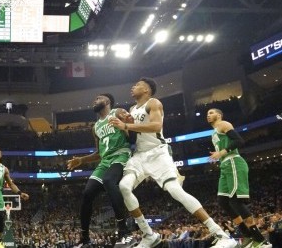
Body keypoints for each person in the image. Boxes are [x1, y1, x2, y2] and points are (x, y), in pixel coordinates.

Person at [110, 77, 238, 248]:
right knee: (124, 187)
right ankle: (148, 235)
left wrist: (126, 126)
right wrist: (121, 126)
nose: (133, 87)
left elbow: (156, 126)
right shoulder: (132, 109)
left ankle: (221, 234)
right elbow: (133, 135)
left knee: (176, 191)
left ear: (147, 90)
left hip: (158, 153)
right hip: (139, 154)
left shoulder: (153, 103)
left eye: (137, 85)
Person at [67, 93, 132, 247]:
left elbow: (132, 131)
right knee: (87, 193)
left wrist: (128, 126)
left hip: (121, 155)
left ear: (108, 101)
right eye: (95, 99)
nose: (95, 100)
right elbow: (99, 153)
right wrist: (81, 160)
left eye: (99, 98)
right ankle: (85, 238)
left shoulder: (117, 112)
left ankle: (124, 231)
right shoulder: (95, 127)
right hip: (105, 161)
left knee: (109, 181)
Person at [207, 108, 272, 248]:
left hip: (233, 162)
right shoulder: (213, 132)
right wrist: (218, 155)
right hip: (225, 166)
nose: (208, 115)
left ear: (219, 115)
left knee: (236, 201)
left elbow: (239, 140)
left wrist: (222, 152)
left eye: (211, 113)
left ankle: (261, 240)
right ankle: (247, 236)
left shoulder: (223, 124)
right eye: (207, 114)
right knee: (223, 202)